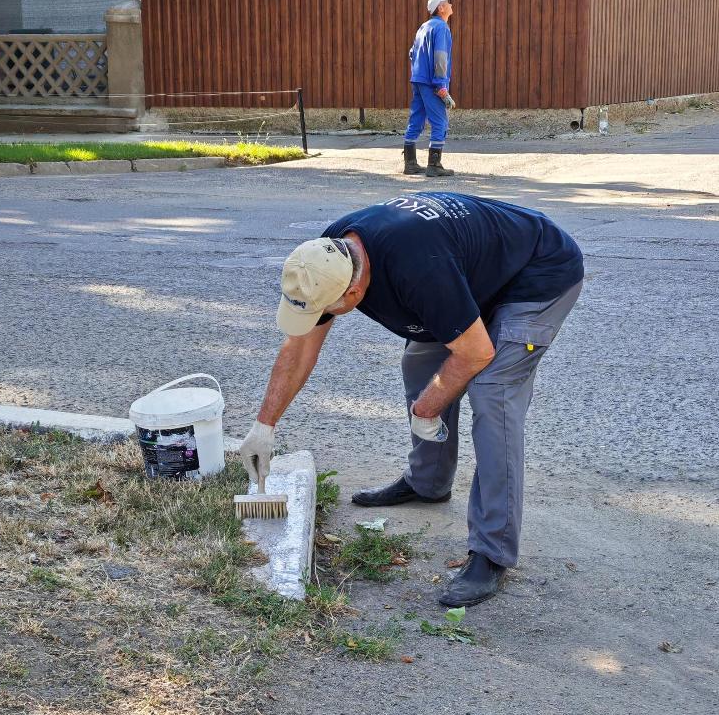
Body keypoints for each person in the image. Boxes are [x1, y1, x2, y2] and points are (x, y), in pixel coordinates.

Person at [240, 192, 584, 608]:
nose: (320, 318)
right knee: (421, 362)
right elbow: (299, 349)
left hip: (536, 271)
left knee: (493, 395)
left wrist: (427, 409)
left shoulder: (420, 270)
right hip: (466, 272)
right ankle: (428, 482)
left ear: (354, 293)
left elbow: (476, 353)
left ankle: (492, 553)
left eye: (325, 311)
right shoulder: (326, 258)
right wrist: (264, 425)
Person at [403, 0, 457, 178]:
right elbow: (441, 57)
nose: (451, 5)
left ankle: (410, 163)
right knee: (440, 121)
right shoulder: (441, 28)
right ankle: (434, 165)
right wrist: (441, 86)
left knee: (416, 119)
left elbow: (412, 53)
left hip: (418, 79)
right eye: (448, 3)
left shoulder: (423, 27)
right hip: (432, 82)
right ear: (441, 8)